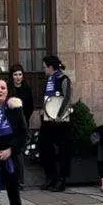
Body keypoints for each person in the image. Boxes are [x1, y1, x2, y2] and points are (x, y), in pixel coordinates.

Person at [39, 55, 73, 192]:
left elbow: (67, 98)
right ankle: (50, 177)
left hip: (61, 121)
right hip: (48, 120)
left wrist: (59, 115)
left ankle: (61, 180)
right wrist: (43, 110)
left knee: (64, 151)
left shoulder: (64, 79)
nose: (43, 69)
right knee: (44, 147)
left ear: (50, 67)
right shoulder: (49, 80)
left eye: (44, 67)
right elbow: (48, 98)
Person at [8, 63, 35, 187]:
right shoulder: (8, 88)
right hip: (9, 125)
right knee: (10, 153)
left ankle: (19, 181)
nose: (18, 77)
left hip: (22, 125)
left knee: (18, 153)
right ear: (11, 76)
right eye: (15, 75)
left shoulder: (27, 88)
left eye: (20, 74)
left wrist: (24, 120)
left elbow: (30, 107)